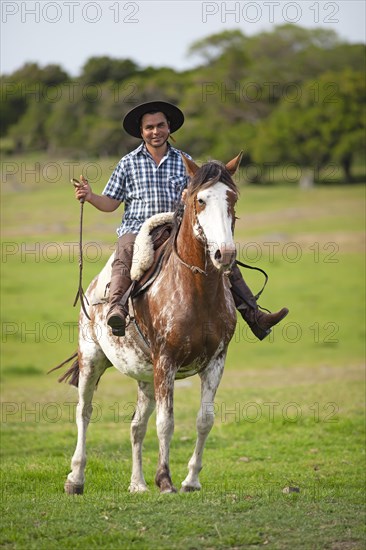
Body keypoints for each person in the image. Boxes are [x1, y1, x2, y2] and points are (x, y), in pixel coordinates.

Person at [74, 100, 288, 339]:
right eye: (149, 127)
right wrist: (91, 196)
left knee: (223, 257)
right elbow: (111, 203)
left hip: (175, 225)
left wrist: (190, 196)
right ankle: (117, 309)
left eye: (160, 125)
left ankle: (254, 315)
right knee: (124, 254)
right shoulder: (128, 163)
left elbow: (200, 198)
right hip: (138, 229)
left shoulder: (185, 161)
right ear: (141, 131)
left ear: (169, 128)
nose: (155, 131)